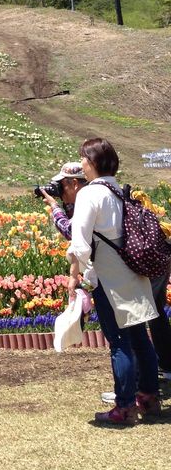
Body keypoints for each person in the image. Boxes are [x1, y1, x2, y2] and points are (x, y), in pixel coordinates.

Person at [67, 137, 160, 425]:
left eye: (83, 158)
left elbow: (80, 243)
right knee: (139, 337)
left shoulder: (89, 194)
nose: (81, 163)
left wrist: (74, 274)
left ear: (92, 162)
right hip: (132, 270)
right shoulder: (117, 189)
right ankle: (149, 396)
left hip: (109, 277)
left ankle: (124, 406)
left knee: (119, 342)